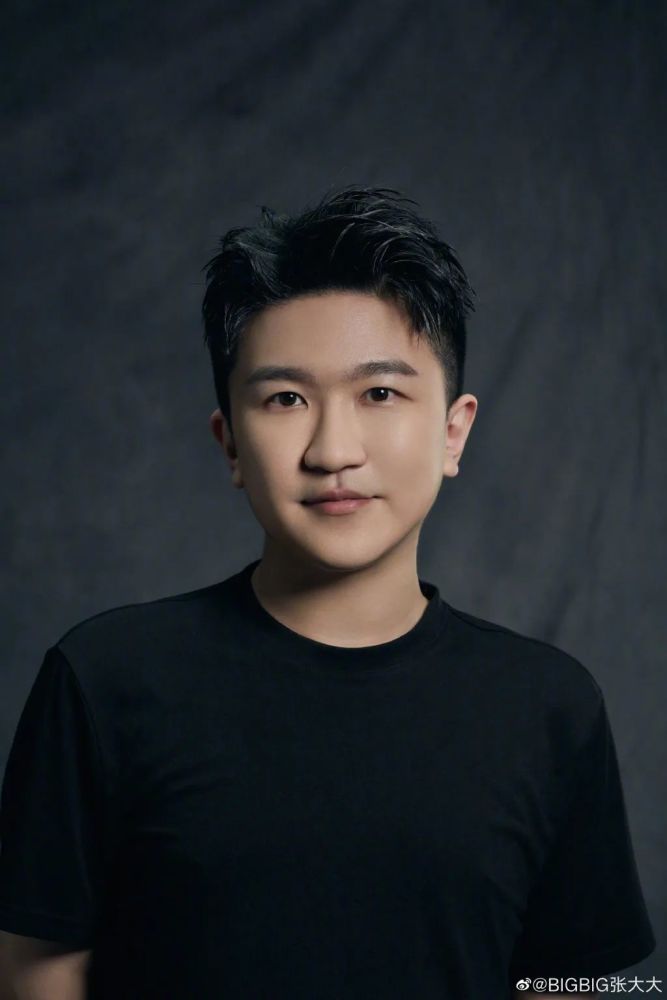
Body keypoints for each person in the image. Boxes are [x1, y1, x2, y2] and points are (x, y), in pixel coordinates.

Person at [0, 186, 655, 999]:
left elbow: (568, 985)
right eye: (285, 399)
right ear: (229, 442)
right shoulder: (105, 680)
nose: (333, 449)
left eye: (379, 393)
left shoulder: (550, 707)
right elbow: (38, 973)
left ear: (452, 432)